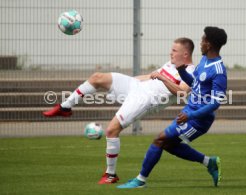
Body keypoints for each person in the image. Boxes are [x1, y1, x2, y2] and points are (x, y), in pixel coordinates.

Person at [42, 37, 195, 184]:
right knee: (97, 77)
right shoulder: (170, 63)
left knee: (111, 130)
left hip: (144, 100)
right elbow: (149, 76)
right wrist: (128, 81)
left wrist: (162, 79)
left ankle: (110, 174)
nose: (171, 53)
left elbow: (182, 92)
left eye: (174, 50)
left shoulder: (191, 71)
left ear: (185, 54)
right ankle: (65, 107)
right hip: (136, 86)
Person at [117, 26, 228, 189]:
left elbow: (215, 103)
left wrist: (191, 116)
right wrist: (182, 72)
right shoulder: (204, 61)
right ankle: (209, 162)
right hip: (189, 111)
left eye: (203, 40)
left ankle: (140, 180)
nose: (200, 42)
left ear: (209, 44)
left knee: (160, 140)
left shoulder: (218, 70)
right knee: (168, 144)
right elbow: (195, 85)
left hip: (199, 120)